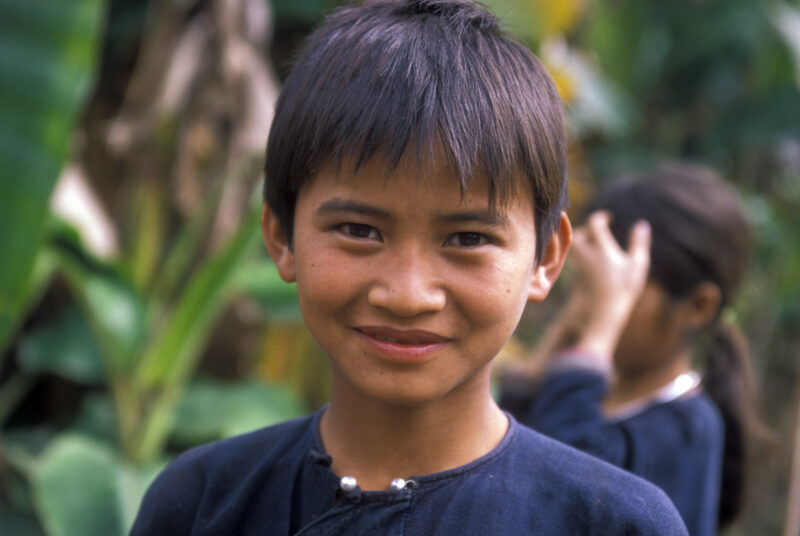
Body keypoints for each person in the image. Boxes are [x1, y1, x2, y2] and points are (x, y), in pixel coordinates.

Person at [130, 1, 689, 534]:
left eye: (468, 238)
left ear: (544, 258)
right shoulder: (202, 503)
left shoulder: (614, 523)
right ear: (281, 236)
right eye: (358, 231)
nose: (407, 294)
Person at [499, 165, 767, 536]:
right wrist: (570, 326)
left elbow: (567, 477)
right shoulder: (588, 402)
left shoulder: (691, 426)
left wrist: (602, 322)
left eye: (624, 289)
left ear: (699, 307)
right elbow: (508, 435)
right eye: (590, 283)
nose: (596, 301)